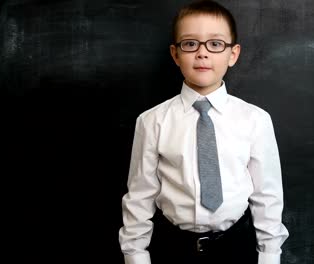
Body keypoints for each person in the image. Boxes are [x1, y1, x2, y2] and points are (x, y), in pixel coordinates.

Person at [118, 1, 288, 263]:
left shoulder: (255, 120)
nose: (202, 53)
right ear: (175, 55)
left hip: (236, 246)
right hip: (173, 247)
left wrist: (269, 256)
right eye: (190, 44)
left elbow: (267, 195)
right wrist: (136, 255)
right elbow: (140, 195)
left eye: (216, 44)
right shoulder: (152, 121)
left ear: (233, 54)